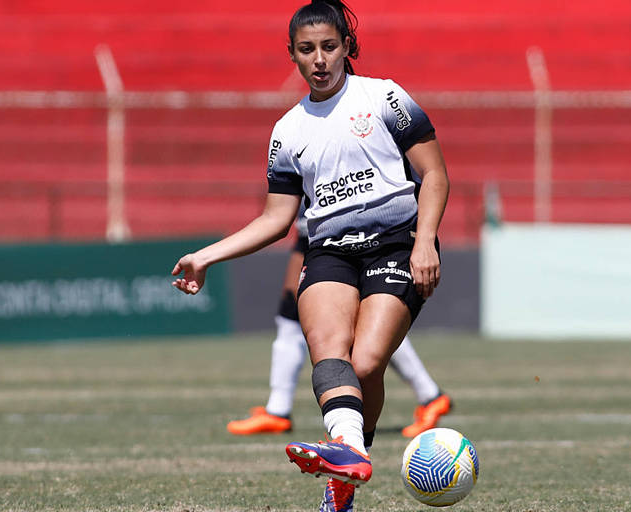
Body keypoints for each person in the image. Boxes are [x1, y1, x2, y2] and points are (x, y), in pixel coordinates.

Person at [172, 1, 449, 510]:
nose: (319, 59)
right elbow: (276, 220)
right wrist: (206, 256)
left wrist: (427, 238)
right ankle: (348, 458)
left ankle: (342, 470)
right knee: (329, 350)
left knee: (366, 364)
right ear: (293, 56)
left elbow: (434, 174)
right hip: (328, 253)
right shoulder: (287, 132)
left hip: (396, 244)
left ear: (347, 46)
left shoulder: (385, 98)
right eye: (307, 50)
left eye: (328, 46)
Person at [226, 213, 451, 439]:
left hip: (344, 227)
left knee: (368, 327)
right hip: (318, 226)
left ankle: (429, 395)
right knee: (294, 308)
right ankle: (278, 407)